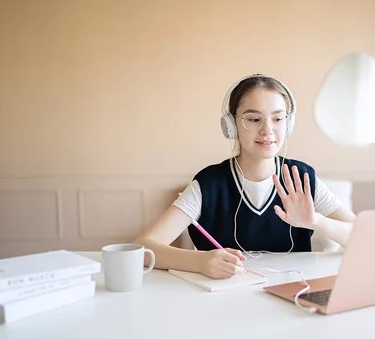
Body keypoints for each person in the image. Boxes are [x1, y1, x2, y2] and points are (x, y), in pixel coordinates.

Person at [134, 74, 356, 279]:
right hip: (222, 303)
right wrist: (200, 261)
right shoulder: (209, 184)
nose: (267, 130)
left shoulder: (301, 178)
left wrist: (317, 221)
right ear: (231, 125)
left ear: (288, 124)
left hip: (291, 298)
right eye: (253, 119)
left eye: (278, 119)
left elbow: (362, 238)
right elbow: (144, 248)